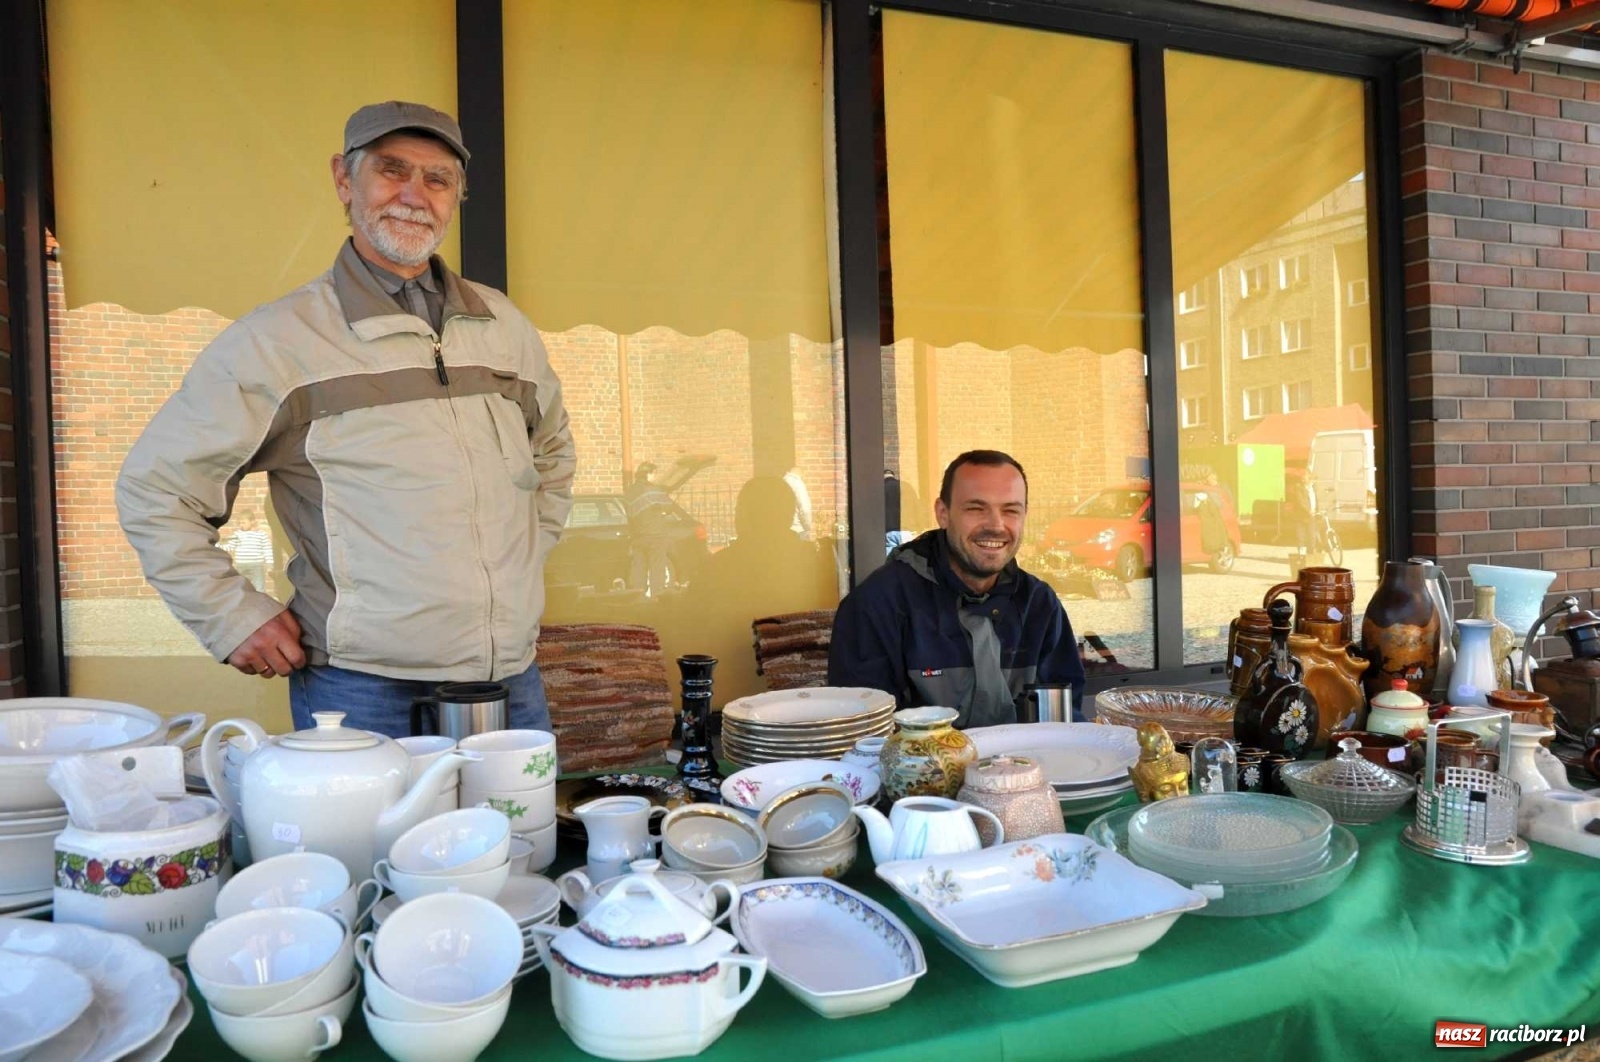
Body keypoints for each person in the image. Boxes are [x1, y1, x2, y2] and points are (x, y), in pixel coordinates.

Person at [117, 101, 575, 737]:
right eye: (392, 171)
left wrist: (517, 564)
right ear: (343, 180)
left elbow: (551, 457)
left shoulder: (504, 328)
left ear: (456, 197)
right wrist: (230, 615)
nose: (415, 195)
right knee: (364, 844)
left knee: (518, 841)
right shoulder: (278, 341)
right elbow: (156, 490)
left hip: (509, 678)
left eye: (437, 179)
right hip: (361, 688)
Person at [828, 450, 1085, 728]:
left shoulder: (1039, 603)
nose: (996, 525)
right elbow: (868, 737)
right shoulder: (878, 605)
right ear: (943, 513)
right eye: (976, 508)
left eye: (1010, 510)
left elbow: (1062, 726)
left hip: (1025, 769)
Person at [623, 462, 679, 597]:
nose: (654, 477)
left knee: (639, 569)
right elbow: (669, 507)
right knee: (657, 569)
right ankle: (656, 597)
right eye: (654, 473)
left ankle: (638, 597)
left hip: (636, 536)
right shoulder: (653, 490)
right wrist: (671, 500)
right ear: (648, 474)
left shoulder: (629, 492)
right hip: (656, 536)